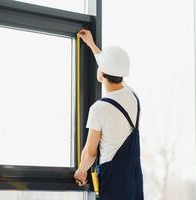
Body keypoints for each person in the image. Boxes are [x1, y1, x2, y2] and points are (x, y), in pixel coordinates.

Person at [74, 29, 144, 200]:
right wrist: (91, 45)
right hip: (134, 176)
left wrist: (81, 171)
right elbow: (112, 68)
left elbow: (90, 152)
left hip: (114, 178)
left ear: (102, 72)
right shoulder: (132, 96)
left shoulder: (100, 108)